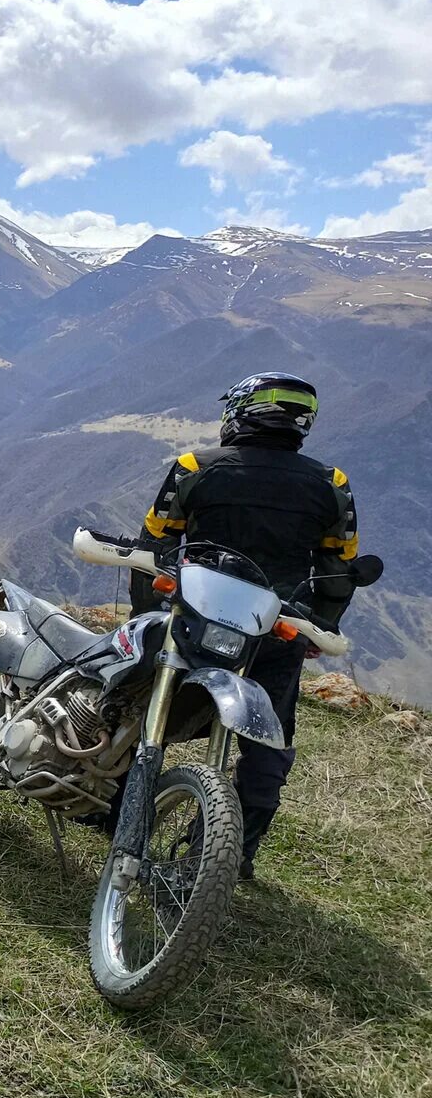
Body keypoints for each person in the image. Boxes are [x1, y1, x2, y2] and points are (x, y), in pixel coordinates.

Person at [131, 372, 358, 880]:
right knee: (268, 740)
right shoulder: (332, 484)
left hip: (194, 617)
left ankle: (119, 814)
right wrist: (315, 631)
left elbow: (152, 549)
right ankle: (236, 855)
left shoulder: (195, 467)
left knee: (143, 707)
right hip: (275, 631)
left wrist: (144, 615)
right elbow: (339, 574)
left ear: (242, 413)